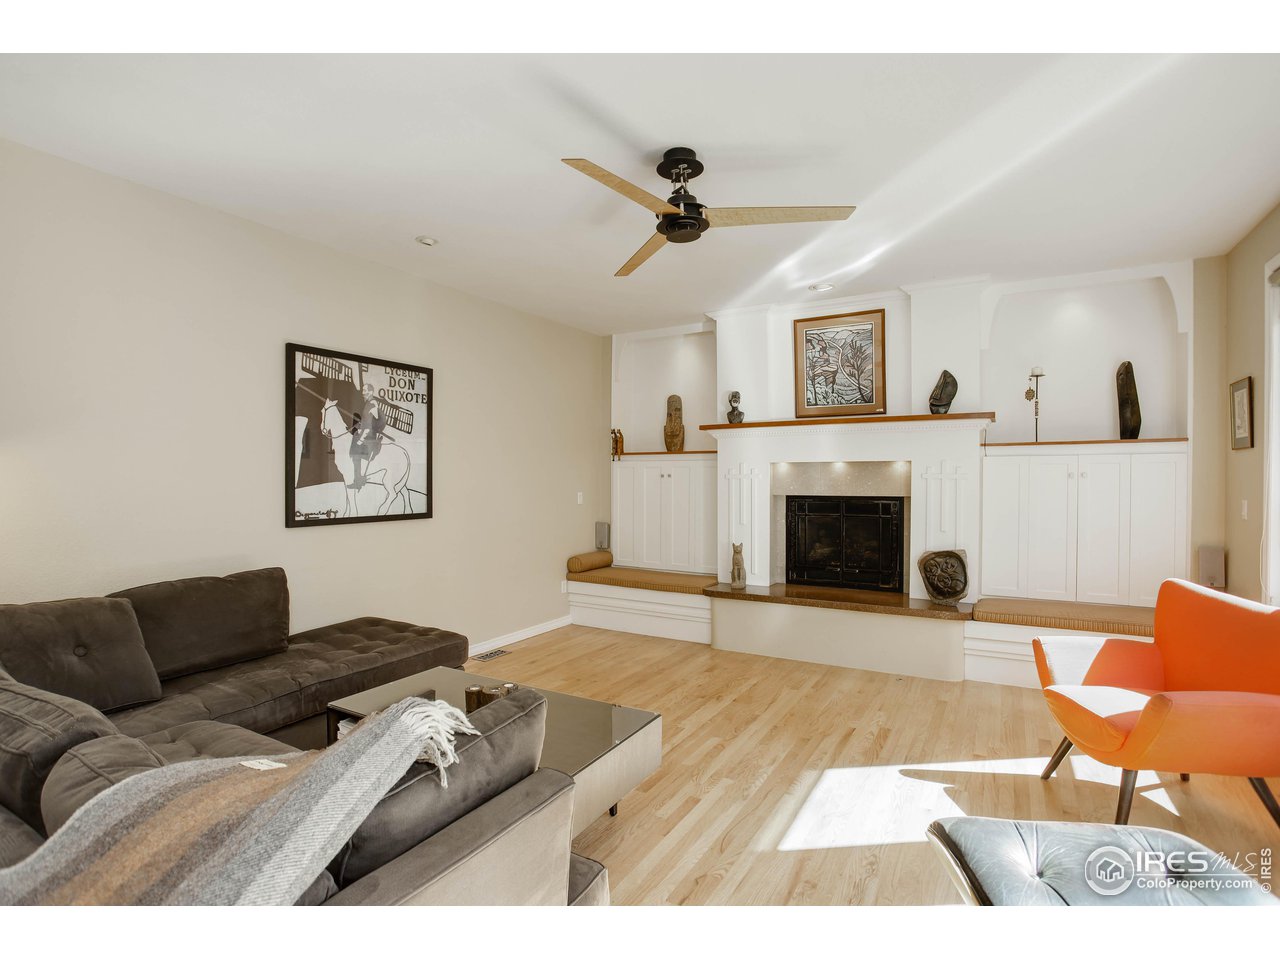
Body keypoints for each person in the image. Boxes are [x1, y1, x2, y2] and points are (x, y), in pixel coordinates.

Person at [349, 383, 385, 489]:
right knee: (354, 446)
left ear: (371, 392)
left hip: (370, 437)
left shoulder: (372, 404)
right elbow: (366, 421)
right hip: (367, 433)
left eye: (365, 391)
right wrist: (359, 426)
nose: (363, 393)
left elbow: (370, 425)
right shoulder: (369, 403)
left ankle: (358, 482)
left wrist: (361, 438)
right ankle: (358, 480)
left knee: (355, 454)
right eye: (363, 390)